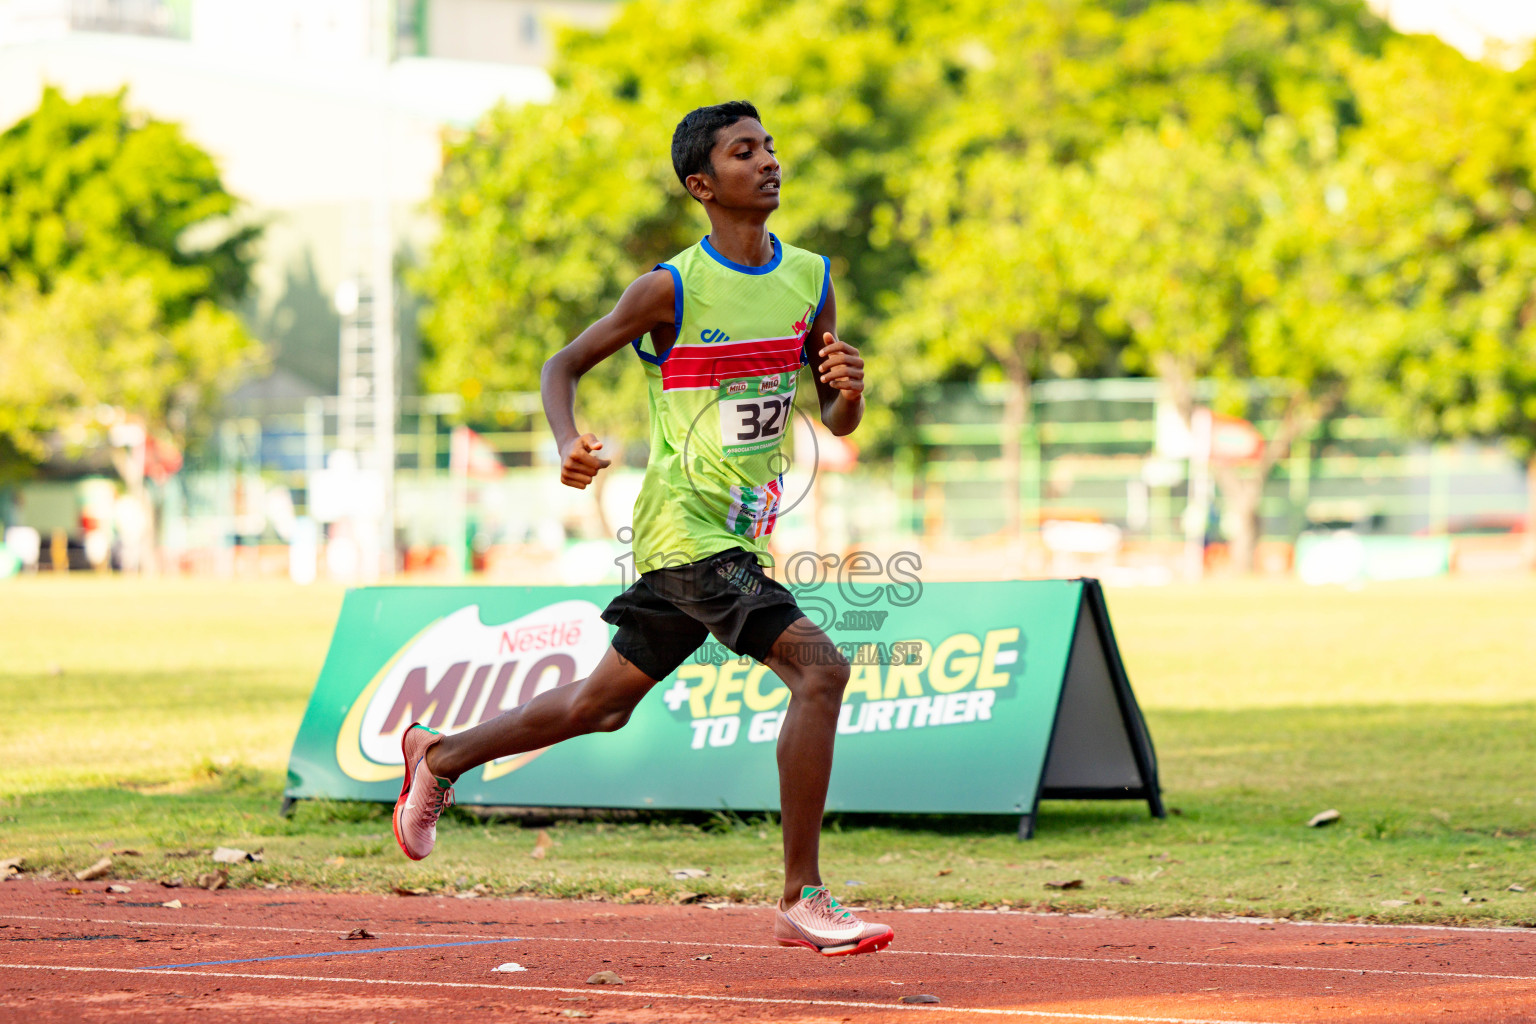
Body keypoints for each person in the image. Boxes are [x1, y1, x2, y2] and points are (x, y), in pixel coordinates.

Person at [392, 101, 891, 957]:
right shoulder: (670, 287)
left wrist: (848, 388)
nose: (768, 161)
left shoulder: (811, 277)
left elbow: (835, 422)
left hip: (741, 535)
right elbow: (562, 365)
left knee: (602, 706)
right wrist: (566, 442)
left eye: (770, 146)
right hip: (684, 532)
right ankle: (802, 896)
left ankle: (436, 756)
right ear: (703, 184)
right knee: (821, 670)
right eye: (745, 152)